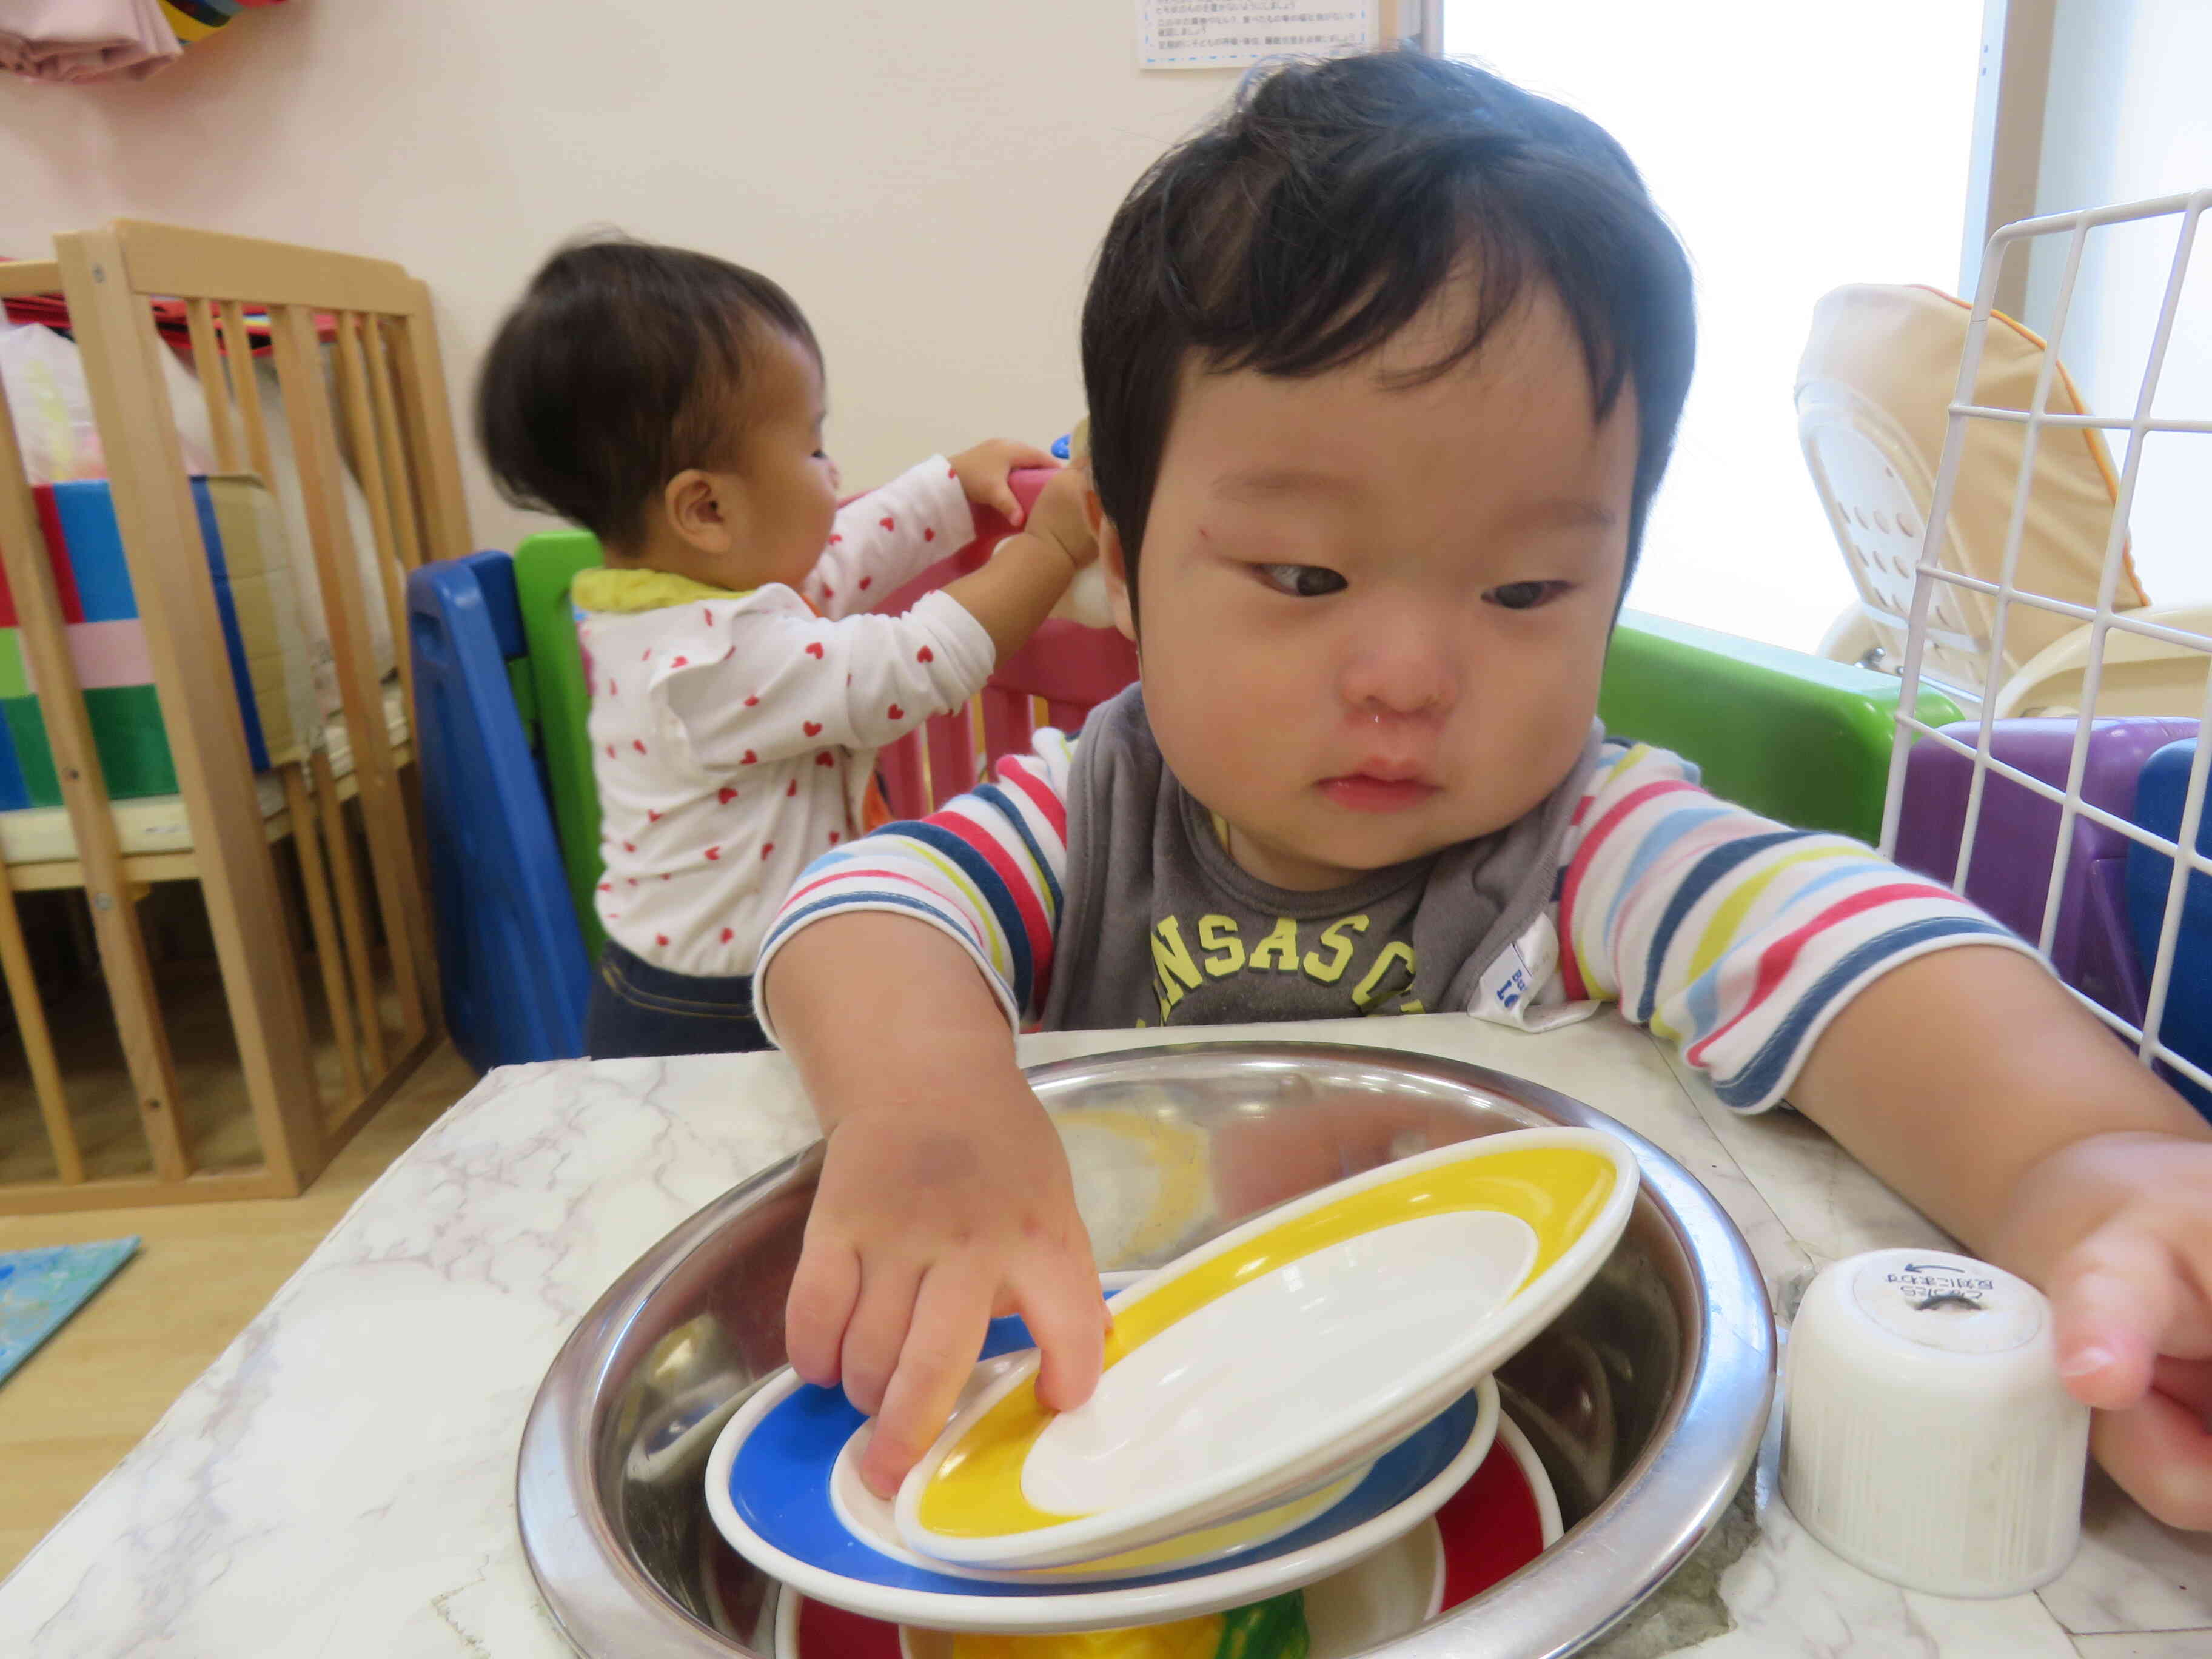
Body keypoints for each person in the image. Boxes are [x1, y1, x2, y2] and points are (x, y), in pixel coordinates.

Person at [755, 50, 2212, 1529]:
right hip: (1122, 1426)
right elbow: (864, 906)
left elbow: (1859, 947)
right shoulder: (1096, 805)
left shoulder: (1592, 847)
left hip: (1480, 1432)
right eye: (1304, 576)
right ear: (1124, 566)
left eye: (1524, 589)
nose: (1406, 675)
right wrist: (929, 1102)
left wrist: (2082, 1170)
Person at [477, 237, 1096, 1057]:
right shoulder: (699, 666)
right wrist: (1049, 550)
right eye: (812, 447)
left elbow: (843, 553)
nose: (832, 472)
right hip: (707, 1010)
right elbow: (913, 663)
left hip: (734, 975)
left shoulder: (711, 595)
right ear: (705, 511)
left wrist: (950, 485)